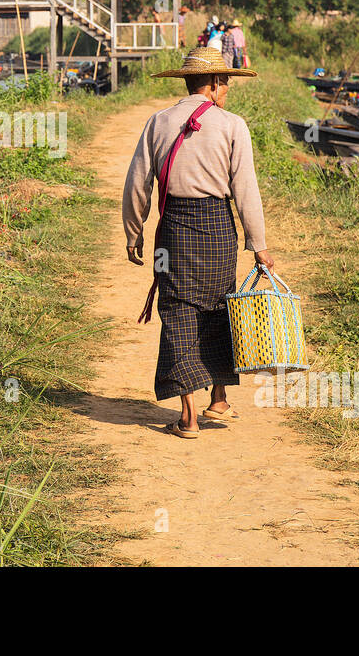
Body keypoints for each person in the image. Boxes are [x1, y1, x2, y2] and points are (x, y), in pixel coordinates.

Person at [122, 47, 272, 439]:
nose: (228, 90)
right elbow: (246, 190)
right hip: (219, 228)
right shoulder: (233, 125)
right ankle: (218, 399)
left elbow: (137, 183)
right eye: (227, 83)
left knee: (178, 310)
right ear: (216, 84)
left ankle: (189, 417)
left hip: (173, 230)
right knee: (220, 304)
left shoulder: (157, 122)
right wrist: (259, 245)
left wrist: (133, 232)